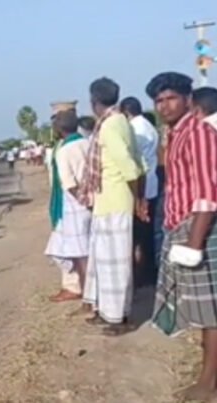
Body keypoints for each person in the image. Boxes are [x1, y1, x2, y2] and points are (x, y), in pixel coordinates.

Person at [146, 72, 217, 401]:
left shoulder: (199, 133)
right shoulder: (175, 135)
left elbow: (208, 192)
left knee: (212, 313)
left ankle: (208, 384)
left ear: (188, 99)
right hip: (180, 226)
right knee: (203, 312)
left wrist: (194, 242)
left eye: (171, 98)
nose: (164, 105)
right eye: (159, 101)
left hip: (198, 227)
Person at [77, 77, 144, 335]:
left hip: (115, 203)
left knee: (115, 266)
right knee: (102, 264)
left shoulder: (110, 126)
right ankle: (106, 311)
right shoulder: (118, 121)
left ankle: (119, 318)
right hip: (106, 202)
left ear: (94, 101)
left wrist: (136, 200)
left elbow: (130, 167)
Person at [45, 108, 92, 303]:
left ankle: (82, 292)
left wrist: (84, 201)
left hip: (74, 205)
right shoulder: (87, 143)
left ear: (58, 128)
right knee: (85, 250)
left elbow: (69, 184)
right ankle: (80, 289)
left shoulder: (64, 150)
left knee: (76, 253)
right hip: (91, 201)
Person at [120, 96, 159, 288]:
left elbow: (134, 162)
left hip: (143, 185)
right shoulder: (147, 125)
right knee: (147, 233)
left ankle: (143, 275)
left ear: (126, 112)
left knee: (140, 234)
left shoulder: (134, 128)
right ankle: (148, 272)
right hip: (151, 182)